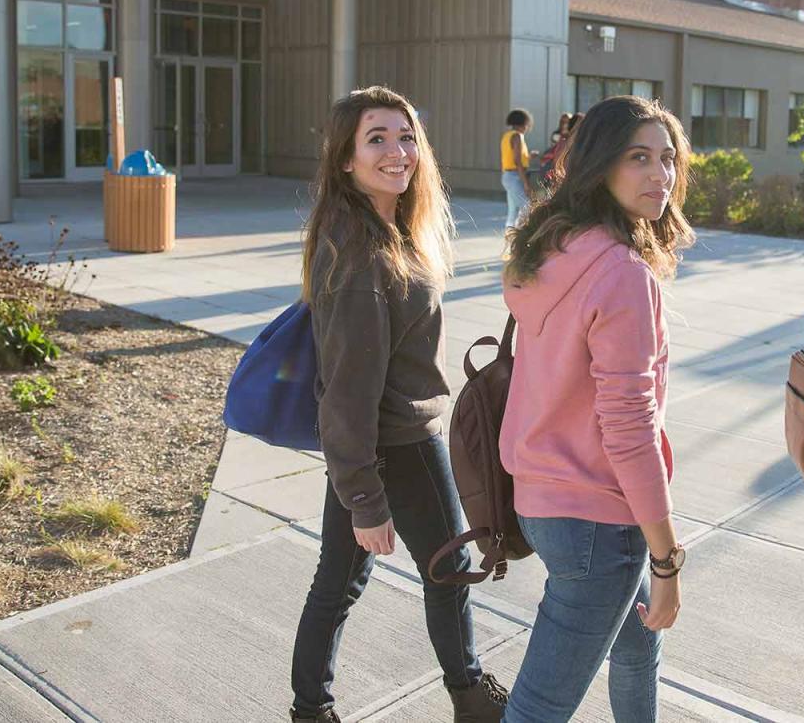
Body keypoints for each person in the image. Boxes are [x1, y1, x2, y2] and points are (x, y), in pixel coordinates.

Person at [290, 86, 508, 723]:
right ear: (345, 159)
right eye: (377, 139)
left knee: (338, 583)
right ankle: (470, 696)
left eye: (406, 136)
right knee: (450, 568)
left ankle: (311, 712)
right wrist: (364, 495)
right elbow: (348, 388)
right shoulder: (363, 254)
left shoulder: (378, 231)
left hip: (371, 445)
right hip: (396, 442)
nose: (398, 151)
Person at [499, 95, 695, 722]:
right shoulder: (620, 272)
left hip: (540, 500)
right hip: (595, 520)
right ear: (600, 164)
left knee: (637, 644)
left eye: (667, 159)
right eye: (638, 158)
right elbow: (630, 426)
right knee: (539, 709)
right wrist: (666, 557)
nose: (659, 175)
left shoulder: (553, 247)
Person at [501, 108, 535, 229]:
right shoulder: (517, 136)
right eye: (527, 124)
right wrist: (526, 184)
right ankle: (521, 234)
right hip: (515, 176)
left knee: (513, 211)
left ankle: (510, 236)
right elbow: (517, 161)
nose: (527, 127)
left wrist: (529, 157)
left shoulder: (507, 136)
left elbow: (513, 159)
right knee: (527, 207)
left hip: (508, 175)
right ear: (523, 123)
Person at [538, 112, 580, 185]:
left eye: (567, 121)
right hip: (553, 165)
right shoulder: (560, 137)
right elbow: (556, 150)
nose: (565, 124)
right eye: (563, 121)